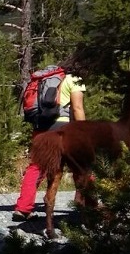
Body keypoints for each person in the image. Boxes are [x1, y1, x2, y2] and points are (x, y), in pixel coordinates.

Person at [12, 65, 86, 221]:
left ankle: (23, 208)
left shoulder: (45, 80)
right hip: (62, 130)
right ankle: (90, 204)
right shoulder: (74, 79)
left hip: (41, 129)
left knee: (36, 167)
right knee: (81, 164)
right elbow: (78, 108)